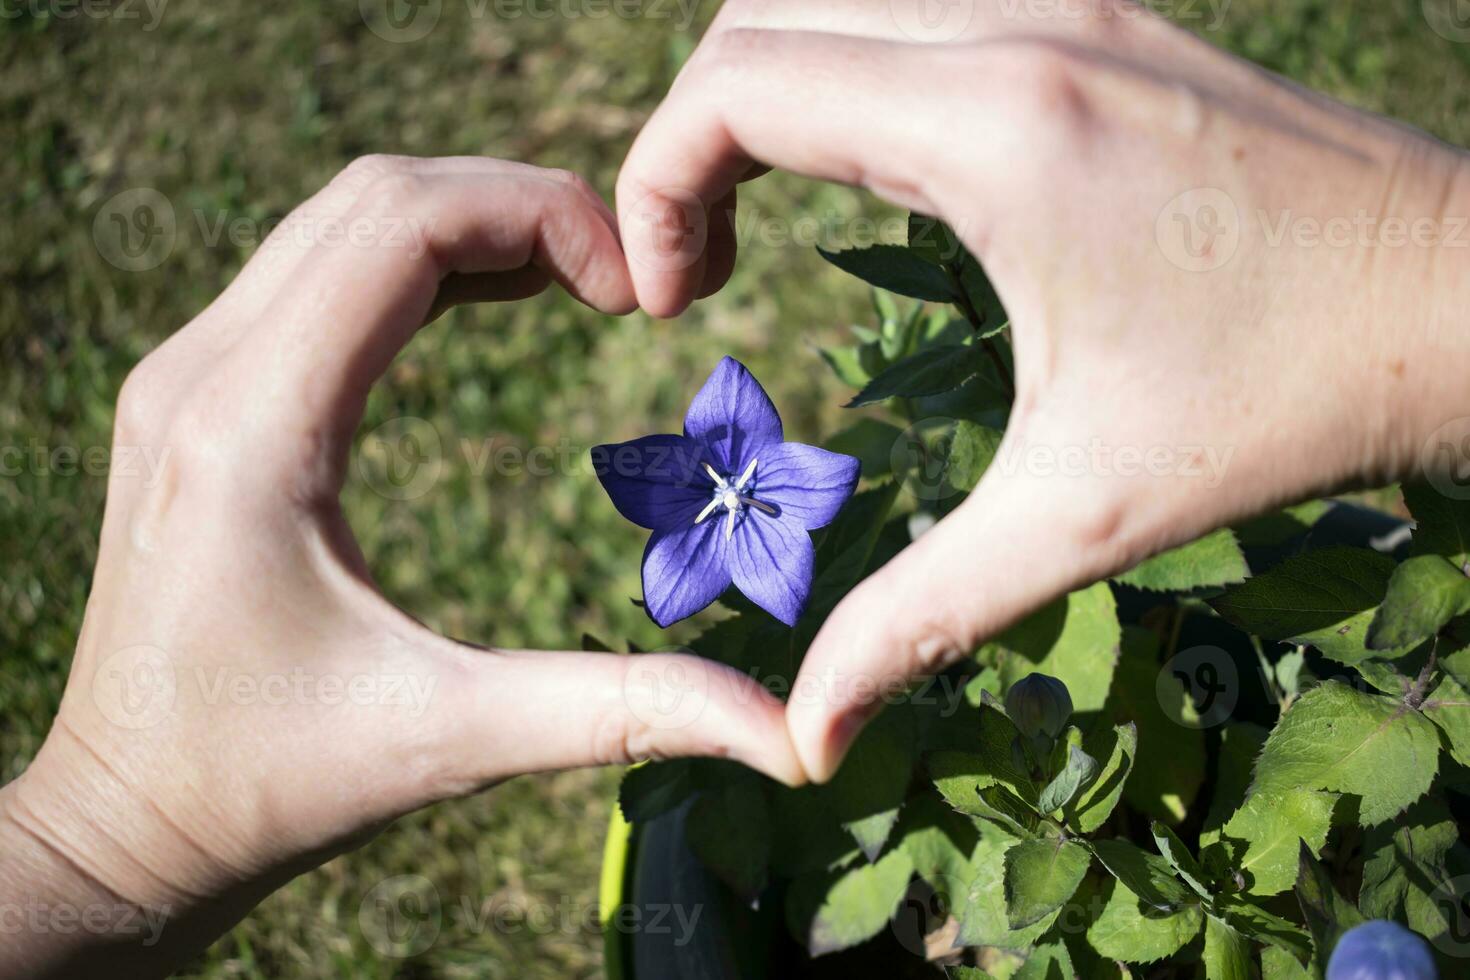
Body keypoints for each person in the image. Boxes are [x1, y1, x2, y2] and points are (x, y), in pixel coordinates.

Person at [2, 2, 1466, 975]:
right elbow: (716, 516)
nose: (711, 507)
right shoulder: (724, 501)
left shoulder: (766, 474)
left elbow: (770, 492)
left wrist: (112, 840)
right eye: (696, 497)